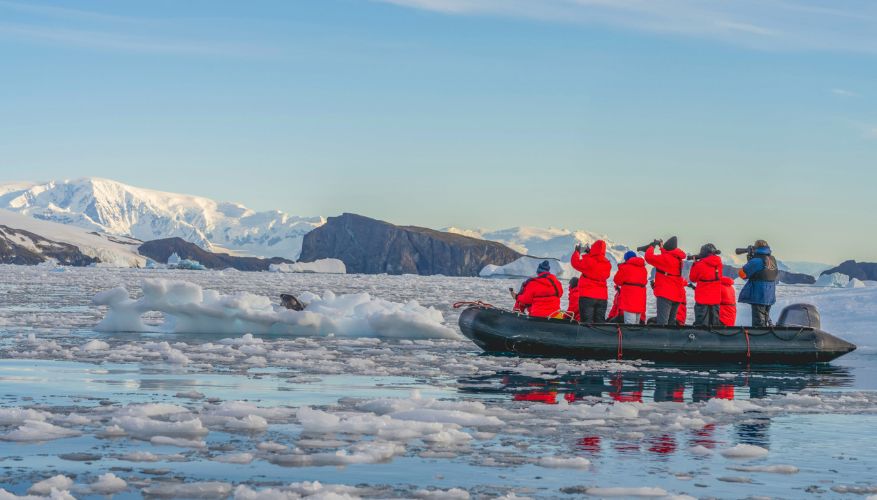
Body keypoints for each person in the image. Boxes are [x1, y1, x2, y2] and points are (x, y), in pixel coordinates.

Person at [644, 236, 687, 325]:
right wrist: (661, 247)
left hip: (665, 295)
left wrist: (651, 247)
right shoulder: (678, 259)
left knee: (662, 323)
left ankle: (662, 338)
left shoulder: (664, 259)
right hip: (677, 295)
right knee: (671, 323)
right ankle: (672, 338)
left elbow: (648, 257)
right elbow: (668, 254)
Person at [738, 240, 778, 327]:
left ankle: (758, 338)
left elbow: (743, 274)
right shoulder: (772, 259)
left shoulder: (757, 260)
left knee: (758, 323)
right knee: (765, 320)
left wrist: (750, 260)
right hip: (769, 295)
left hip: (758, 295)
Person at [570, 240, 611, 323]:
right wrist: (590, 253)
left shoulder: (589, 261)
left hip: (587, 296)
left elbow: (575, 263)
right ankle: (600, 336)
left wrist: (577, 252)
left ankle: (585, 336)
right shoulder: (607, 264)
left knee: (586, 323)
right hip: (602, 298)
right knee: (600, 323)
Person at [688, 243, 723, 327]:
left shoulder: (700, 264)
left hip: (702, 298)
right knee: (715, 323)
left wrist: (694, 264)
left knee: (701, 324)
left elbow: (692, 278)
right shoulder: (719, 263)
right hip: (715, 298)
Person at [613, 250, 647, 324]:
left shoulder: (625, 267)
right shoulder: (643, 268)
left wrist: (621, 267)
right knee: (637, 323)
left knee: (629, 324)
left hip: (629, 300)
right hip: (640, 300)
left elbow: (617, 280)